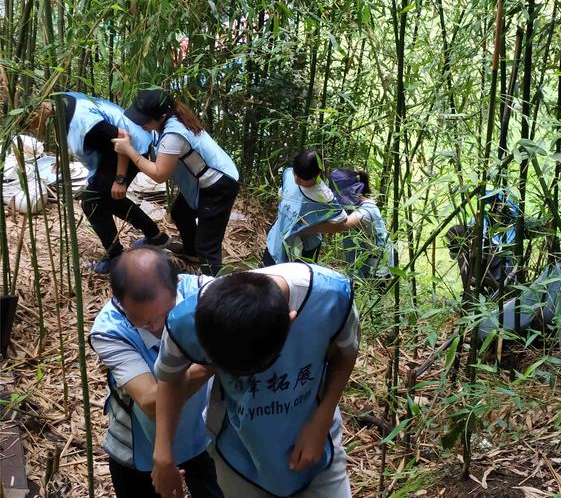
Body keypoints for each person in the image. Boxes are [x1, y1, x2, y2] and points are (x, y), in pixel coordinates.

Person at [151, 262, 359, 497]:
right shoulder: (187, 322)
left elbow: (346, 353)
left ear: (290, 321)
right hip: (237, 446)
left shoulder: (330, 297)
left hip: (314, 437)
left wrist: (321, 421)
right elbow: (170, 378)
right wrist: (163, 454)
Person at [89, 247, 223, 497]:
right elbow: (151, 401)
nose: (157, 328)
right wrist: (218, 360)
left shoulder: (203, 291)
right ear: (119, 301)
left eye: (166, 315)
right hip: (139, 446)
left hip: (203, 433)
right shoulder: (109, 331)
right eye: (143, 321)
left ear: (178, 284)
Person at [32, 93, 171, 273]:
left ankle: (116, 257)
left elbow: (122, 136)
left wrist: (120, 179)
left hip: (130, 147)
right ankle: (155, 236)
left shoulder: (80, 117)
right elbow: (82, 135)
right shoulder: (62, 102)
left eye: (28, 125)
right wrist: (64, 154)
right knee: (109, 198)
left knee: (92, 202)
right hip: (113, 150)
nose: (30, 129)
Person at [112, 89, 240, 276]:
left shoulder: (174, 134)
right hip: (204, 180)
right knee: (181, 213)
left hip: (219, 185)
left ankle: (213, 287)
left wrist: (130, 150)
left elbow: (159, 174)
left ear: (162, 116)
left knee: (208, 247)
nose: (142, 124)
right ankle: (191, 253)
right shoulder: (171, 118)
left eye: (145, 120)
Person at [300, 168, 394, 279]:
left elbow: (340, 226)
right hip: (361, 266)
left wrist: (304, 229)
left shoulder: (367, 211)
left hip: (377, 270)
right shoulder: (352, 208)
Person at [263, 149, 347, 266]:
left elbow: (341, 220)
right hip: (278, 237)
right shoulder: (289, 174)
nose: (296, 180)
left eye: (302, 178)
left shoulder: (323, 195)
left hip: (303, 248)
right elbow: (282, 193)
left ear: (316, 175)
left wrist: (309, 229)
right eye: (295, 174)